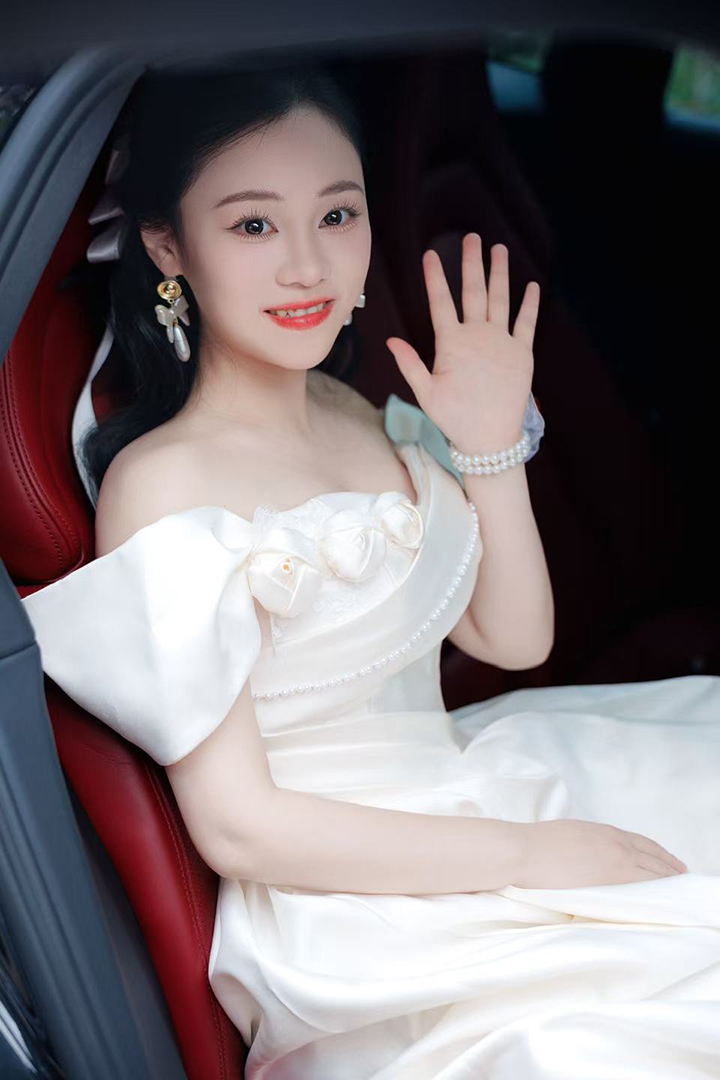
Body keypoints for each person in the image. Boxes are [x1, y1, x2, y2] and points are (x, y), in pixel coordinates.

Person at [21, 62, 720, 1079]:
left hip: (474, 782)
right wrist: (534, 858)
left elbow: (513, 638)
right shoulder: (163, 484)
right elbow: (240, 828)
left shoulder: (357, 413)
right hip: (351, 905)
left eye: (337, 214)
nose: (308, 265)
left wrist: (487, 445)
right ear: (169, 246)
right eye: (253, 225)